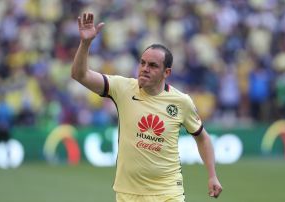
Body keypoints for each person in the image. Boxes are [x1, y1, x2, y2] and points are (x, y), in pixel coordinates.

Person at [71, 12, 222, 202]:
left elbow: (202, 138)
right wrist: (85, 44)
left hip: (168, 192)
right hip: (128, 193)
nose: (144, 68)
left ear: (166, 72)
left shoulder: (181, 102)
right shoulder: (122, 88)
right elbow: (80, 75)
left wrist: (212, 175)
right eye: (142, 63)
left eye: (152, 65)